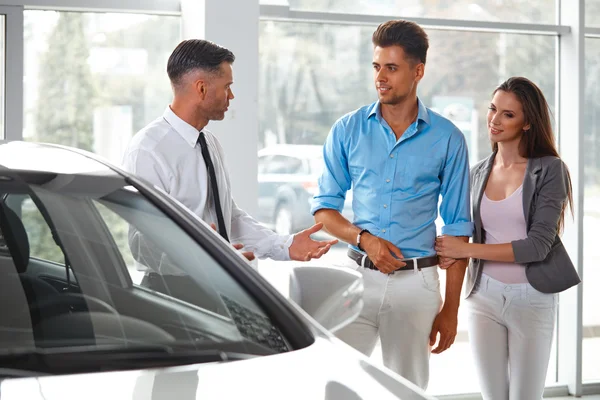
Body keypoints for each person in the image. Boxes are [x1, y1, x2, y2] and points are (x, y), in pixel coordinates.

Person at [311, 19, 473, 390]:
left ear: (418, 72)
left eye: (392, 68)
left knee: (407, 389)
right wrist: (365, 239)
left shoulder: (448, 139)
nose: (380, 77)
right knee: (335, 386)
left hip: (416, 285)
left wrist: (450, 310)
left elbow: (458, 228)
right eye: (376, 66)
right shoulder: (347, 130)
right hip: (355, 279)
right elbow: (324, 210)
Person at [122, 39, 337, 298]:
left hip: (219, 287)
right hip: (173, 294)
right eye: (227, 87)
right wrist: (200, 253)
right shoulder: (149, 149)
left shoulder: (210, 143)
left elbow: (228, 218)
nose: (231, 96)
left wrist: (285, 245)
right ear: (201, 88)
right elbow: (141, 241)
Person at [435, 77, 581, 400]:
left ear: (528, 122)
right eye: (492, 109)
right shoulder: (477, 172)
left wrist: (467, 248)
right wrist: (448, 250)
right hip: (483, 297)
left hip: (532, 298)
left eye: (507, 114)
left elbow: (537, 246)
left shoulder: (550, 170)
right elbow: (462, 231)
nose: (494, 120)